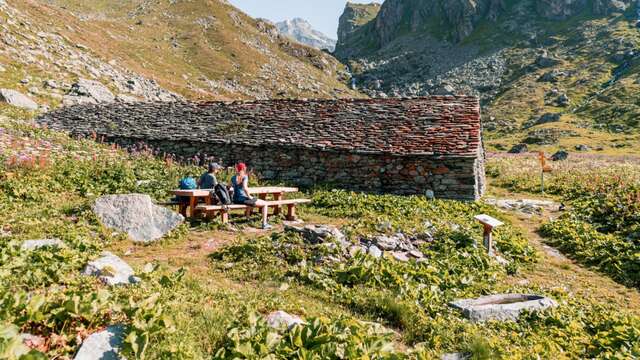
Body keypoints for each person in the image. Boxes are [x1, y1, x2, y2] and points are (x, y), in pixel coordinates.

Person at [231, 162, 272, 230]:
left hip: (235, 199)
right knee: (265, 204)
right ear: (244, 168)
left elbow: (229, 186)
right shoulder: (244, 176)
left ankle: (247, 218)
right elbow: (245, 188)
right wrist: (249, 196)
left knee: (250, 202)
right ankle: (264, 224)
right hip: (242, 199)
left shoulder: (233, 177)